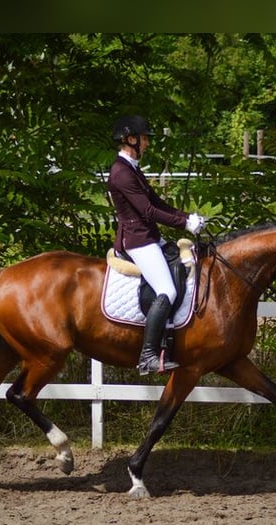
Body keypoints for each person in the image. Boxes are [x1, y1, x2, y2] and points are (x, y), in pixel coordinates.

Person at [108, 114, 205, 375]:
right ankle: (148, 356)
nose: (148, 143)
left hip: (149, 237)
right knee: (167, 289)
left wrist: (187, 217)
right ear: (131, 140)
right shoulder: (121, 172)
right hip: (137, 241)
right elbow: (148, 211)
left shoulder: (133, 169)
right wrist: (183, 225)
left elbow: (158, 203)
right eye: (145, 138)